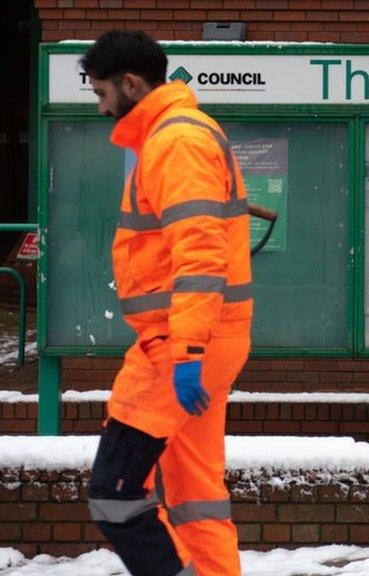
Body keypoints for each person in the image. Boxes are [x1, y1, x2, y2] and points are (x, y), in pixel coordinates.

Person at [81, 30, 253, 576]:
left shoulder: (175, 141)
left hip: (177, 349)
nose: (103, 105)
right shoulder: (172, 135)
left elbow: (200, 257)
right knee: (196, 497)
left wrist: (186, 351)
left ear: (131, 83)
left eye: (102, 92)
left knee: (116, 494)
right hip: (195, 343)